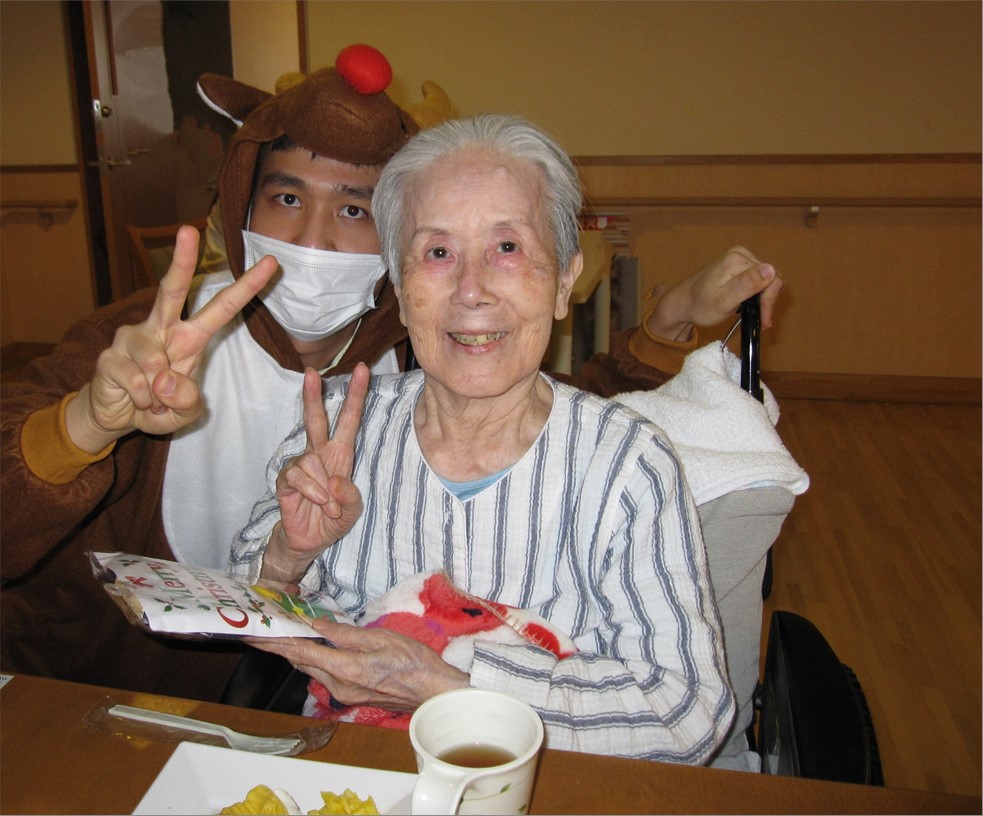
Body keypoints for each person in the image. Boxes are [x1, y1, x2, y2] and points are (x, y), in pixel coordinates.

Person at [0, 44, 778, 704]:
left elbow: (553, 422)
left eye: (353, 210)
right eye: (285, 197)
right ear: (240, 204)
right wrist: (86, 424)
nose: (312, 240)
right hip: (85, 692)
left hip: (277, 702)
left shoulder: (406, 343)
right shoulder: (150, 339)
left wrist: (667, 322)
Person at [229, 114, 735, 762]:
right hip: (349, 777)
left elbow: (686, 713)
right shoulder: (337, 430)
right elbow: (236, 602)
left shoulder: (626, 466)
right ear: (399, 290)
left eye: (507, 248)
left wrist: (449, 687)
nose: (471, 291)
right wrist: (286, 555)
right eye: (437, 253)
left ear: (563, 282)